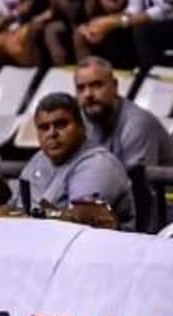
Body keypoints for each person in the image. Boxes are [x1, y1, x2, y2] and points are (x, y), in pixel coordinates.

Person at [14, 92, 135, 229]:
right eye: (44, 128)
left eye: (61, 125)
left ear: (81, 127)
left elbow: (78, 222)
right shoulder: (39, 159)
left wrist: (25, 215)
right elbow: (15, 207)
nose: (52, 134)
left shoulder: (98, 164)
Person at [74, 56, 173, 168]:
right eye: (81, 88)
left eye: (96, 85)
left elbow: (137, 182)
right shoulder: (83, 120)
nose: (87, 94)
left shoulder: (137, 123)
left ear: (115, 86)